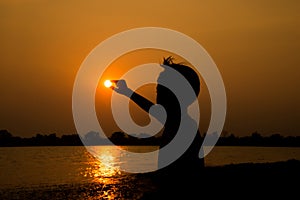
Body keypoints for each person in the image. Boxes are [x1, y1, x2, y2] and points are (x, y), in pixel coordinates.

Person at [111, 56, 204, 198]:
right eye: (158, 87)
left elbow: (182, 176)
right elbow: (152, 109)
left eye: (163, 88)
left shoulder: (183, 127)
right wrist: (127, 92)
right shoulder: (178, 120)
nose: (157, 91)